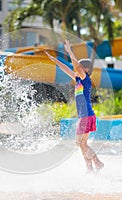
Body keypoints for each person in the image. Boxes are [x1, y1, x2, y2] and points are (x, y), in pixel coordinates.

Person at [45, 40, 104, 173]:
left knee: (81, 144)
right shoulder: (78, 79)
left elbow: (76, 67)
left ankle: (96, 163)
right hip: (84, 116)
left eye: (80, 68)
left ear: (86, 70)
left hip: (87, 115)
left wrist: (69, 50)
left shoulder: (85, 79)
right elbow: (67, 69)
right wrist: (55, 60)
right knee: (81, 144)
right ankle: (90, 168)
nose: (77, 70)